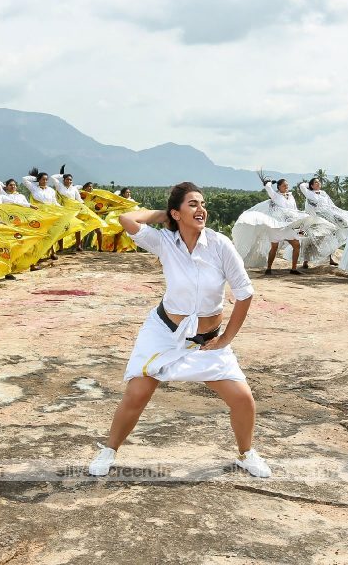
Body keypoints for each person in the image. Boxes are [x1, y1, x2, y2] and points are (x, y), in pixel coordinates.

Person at [88, 182, 270, 478]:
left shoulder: (219, 245)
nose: (202, 209)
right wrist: (166, 216)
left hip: (206, 341)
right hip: (164, 333)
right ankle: (108, 450)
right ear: (176, 213)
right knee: (137, 393)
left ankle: (246, 454)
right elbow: (127, 219)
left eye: (202, 203)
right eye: (193, 204)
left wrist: (226, 339)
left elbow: (244, 292)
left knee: (242, 400)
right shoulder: (164, 242)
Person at [232, 175, 336, 275]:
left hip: (290, 226)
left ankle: (294, 268)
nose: (286, 187)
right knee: (274, 247)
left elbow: (294, 210)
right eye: (284, 185)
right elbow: (268, 188)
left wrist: (298, 221)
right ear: (279, 187)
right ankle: (269, 268)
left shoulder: (290, 196)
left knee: (297, 244)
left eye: (287, 185)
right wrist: (269, 182)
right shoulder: (275, 196)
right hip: (277, 227)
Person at [297, 177, 348, 267]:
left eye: (319, 182)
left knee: (330, 236)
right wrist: (309, 184)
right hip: (315, 220)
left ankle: (331, 258)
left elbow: (330, 205)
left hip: (327, 218)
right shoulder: (309, 193)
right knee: (311, 239)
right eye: (316, 182)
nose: (318, 184)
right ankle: (305, 261)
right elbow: (302, 186)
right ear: (311, 185)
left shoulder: (324, 193)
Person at [51, 166, 105, 251]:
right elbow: (53, 177)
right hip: (63, 210)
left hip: (74, 210)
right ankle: (60, 248)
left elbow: (79, 199)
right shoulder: (59, 186)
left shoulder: (74, 189)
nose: (69, 181)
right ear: (64, 180)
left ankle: (78, 246)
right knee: (62, 228)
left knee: (77, 226)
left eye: (70, 180)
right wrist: (62, 175)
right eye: (67, 179)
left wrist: (84, 207)